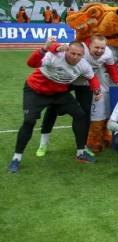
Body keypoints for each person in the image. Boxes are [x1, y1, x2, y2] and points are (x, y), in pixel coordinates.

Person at [8, 39, 100, 173]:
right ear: (66, 50)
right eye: (73, 53)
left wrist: (97, 90)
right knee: (29, 121)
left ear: (83, 55)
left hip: (58, 93)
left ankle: (80, 153)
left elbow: (92, 78)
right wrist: (44, 49)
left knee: (80, 115)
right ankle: (16, 158)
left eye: (79, 55)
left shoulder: (83, 65)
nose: (75, 57)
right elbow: (31, 63)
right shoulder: (54, 56)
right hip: (36, 91)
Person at [36, 35, 118, 156]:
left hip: (85, 84)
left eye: (102, 48)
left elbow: (111, 67)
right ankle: (43, 144)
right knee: (52, 109)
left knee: (84, 114)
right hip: (66, 81)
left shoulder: (107, 53)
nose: (99, 50)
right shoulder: (79, 48)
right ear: (89, 45)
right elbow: (57, 48)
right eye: (96, 47)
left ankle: (83, 146)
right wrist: (56, 47)